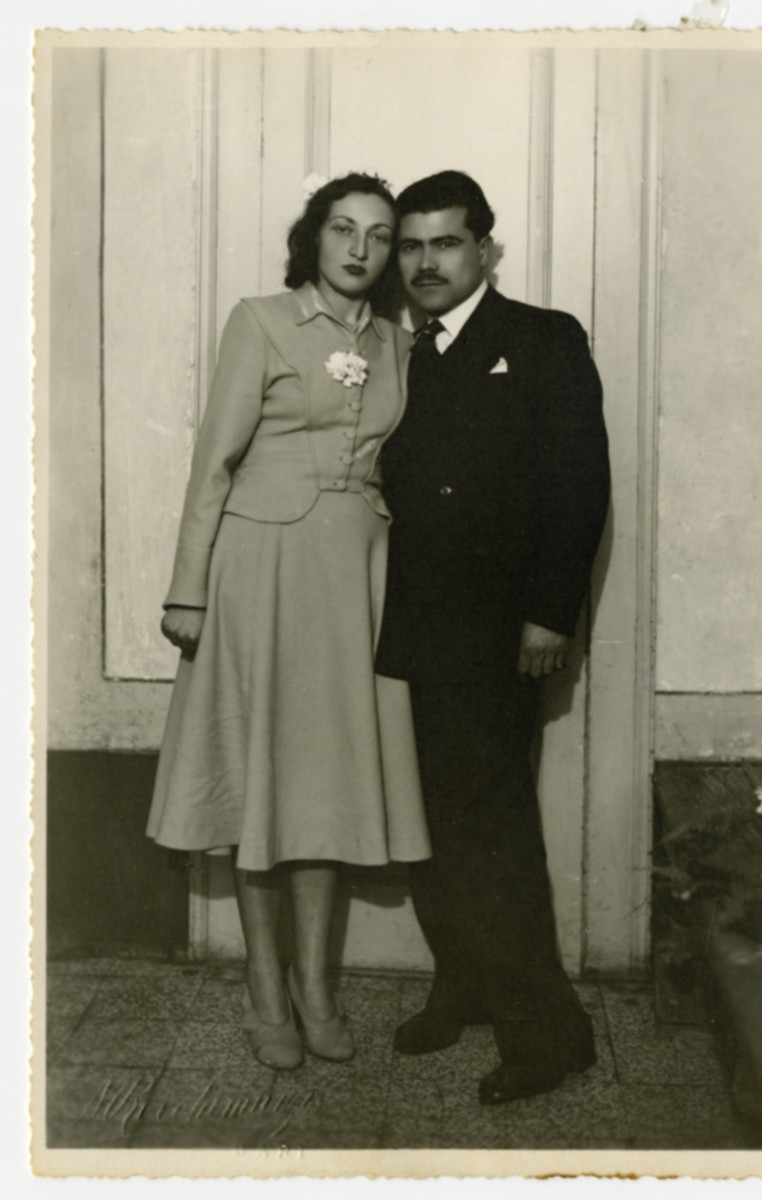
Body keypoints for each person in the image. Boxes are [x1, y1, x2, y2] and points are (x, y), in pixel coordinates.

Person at [147, 173, 431, 1071]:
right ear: (312, 239)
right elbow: (212, 465)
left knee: (327, 787)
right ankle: (265, 991)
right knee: (261, 778)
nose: (359, 249)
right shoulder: (259, 321)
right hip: (258, 574)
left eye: (379, 236)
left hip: (355, 578)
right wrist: (186, 587)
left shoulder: (397, 342)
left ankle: (315, 988)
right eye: (342, 230)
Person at [375, 170, 611, 1105]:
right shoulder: (401, 353)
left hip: (499, 637)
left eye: (445, 243)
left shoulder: (544, 339)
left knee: (494, 831)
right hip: (409, 634)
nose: (424, 262)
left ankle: (547, 1032)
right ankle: (461, 986)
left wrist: (550, 611)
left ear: (485, 251)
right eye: (410, 244)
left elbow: (578, 483)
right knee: (428, 824)